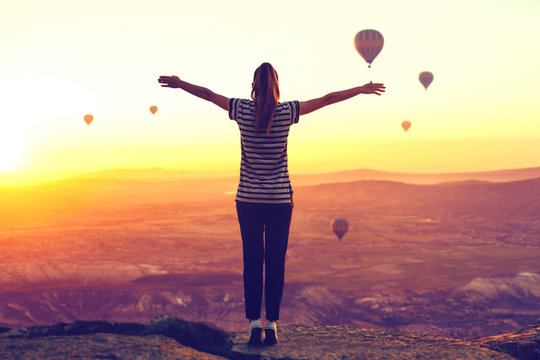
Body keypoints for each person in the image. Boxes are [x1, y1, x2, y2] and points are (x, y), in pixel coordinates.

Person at [158, 63, 385, 345]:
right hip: (279, 201)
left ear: (253, 85)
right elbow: (326, 99)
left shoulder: (241, 109)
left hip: (248, 200)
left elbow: (206, 94)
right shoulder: (288, 111)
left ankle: (254, 323)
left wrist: (181, 83)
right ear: (277, 85)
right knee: (275, 262)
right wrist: (360, 90)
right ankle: (273, 324)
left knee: (252, 260)